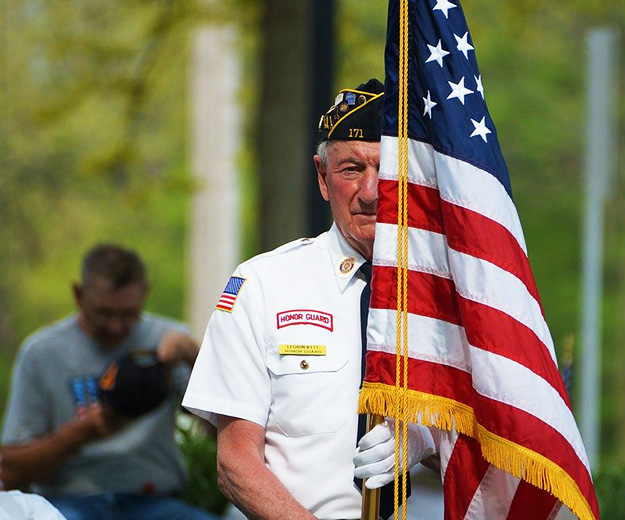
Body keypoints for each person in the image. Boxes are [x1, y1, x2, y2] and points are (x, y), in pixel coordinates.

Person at [182, 79, 437, 520]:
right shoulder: (263, 285)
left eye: (389, 170)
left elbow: (502, 444)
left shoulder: (453, 297)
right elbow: (235, 462)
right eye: (351, 169)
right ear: (323, 177)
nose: (373, 192)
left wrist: (427, 441)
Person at [0, 244, 219, 520]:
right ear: (79, 295)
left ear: (145, 294)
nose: (117, 326)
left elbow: (222, 435)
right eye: (104, 313)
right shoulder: (41, 353)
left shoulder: (168, 339)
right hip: (68, 504)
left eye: (129, 314)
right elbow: (8, 472)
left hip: (154, 503)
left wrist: (195, 360)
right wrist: (88, 429)